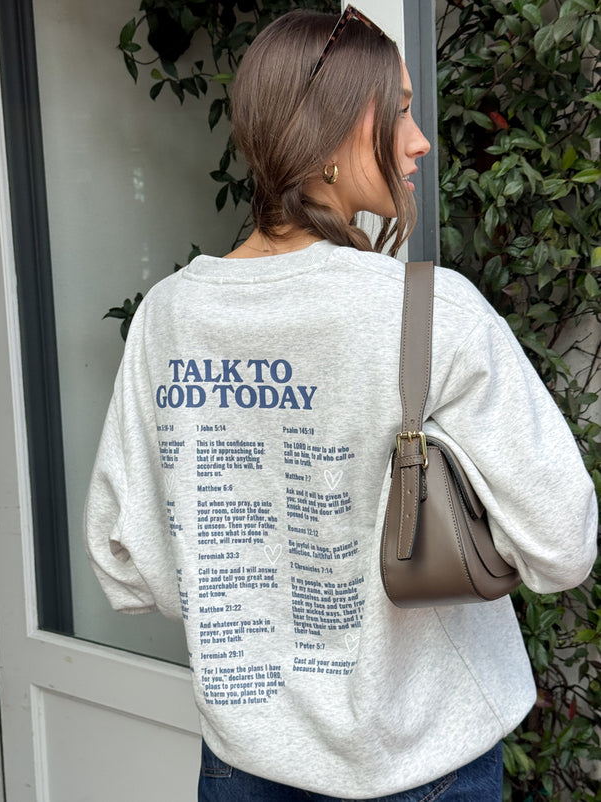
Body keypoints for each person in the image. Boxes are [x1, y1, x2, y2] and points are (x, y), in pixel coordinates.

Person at [84, 6, 598, 801]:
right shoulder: (431, 312)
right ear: (335, 127)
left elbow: (128, 565)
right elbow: (561, 547)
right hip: (423, 763)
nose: (420, 141)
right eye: (400, 111)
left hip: (243, 764)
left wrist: (251, 584)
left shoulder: (169, 317)